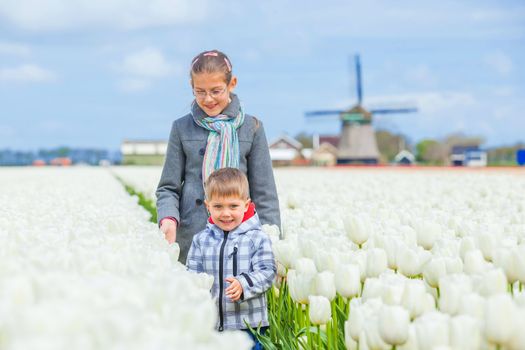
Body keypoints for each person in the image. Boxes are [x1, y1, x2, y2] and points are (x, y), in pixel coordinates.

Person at [156, 49, 281, 263]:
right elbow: (168, 187)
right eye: (200, 92)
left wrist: (273, 241)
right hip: (193, 236)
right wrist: (168, 218)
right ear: (191, 88)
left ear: (232, 84)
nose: (208, 99)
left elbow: (264, 192)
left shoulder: (252, 128)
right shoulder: (182, 128)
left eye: (216, 91)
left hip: (242, 236)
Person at [186, 168, 276, 349]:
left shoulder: (257, 238)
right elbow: (191, 276)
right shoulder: (201, 240)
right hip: (212, 325)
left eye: (233, 206)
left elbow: (268, 272)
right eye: (218, 206)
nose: (226, 213)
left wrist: (244, 284)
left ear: (246, 204)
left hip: (249, 326)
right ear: (207, 206)